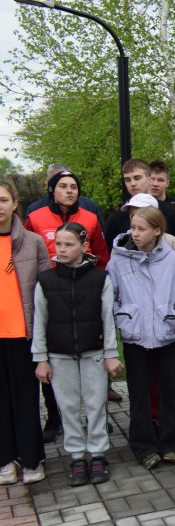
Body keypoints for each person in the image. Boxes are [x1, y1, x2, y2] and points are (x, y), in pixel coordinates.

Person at [32, 222, 123, 486]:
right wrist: (41, 359)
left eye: (69, 244)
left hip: (94, 353)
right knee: (68, 407)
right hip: (59, 357)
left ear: (84, 246)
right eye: (58, 244)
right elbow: (40, 322)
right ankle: (76, 456)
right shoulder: (45, 281)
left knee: (96, 405)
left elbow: (107, 320)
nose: (61, 249)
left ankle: (98, 454)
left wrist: (110, 353)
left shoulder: (100, 279)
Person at [108, 207, 175, 469]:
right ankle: (143, 446)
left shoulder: (173, 261)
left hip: (166, 336)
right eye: (133, 227)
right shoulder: (119, 260)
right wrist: (124, 319)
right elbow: (110, 297)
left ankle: (170, 443)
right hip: (135, 338)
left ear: (157, 230)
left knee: (169, 393)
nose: (135, 233)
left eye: (141, 228)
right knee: (139, 394)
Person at [0, 180, 50, 486]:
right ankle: (6, 459)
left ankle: (32, 459)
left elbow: (45, 293)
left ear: (15, 203)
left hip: (23, 335)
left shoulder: (33, 242)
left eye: (3, 199)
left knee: (26, 400)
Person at [105, 159, 175, 265]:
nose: (132, 183)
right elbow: (111, 258)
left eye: (137, 178)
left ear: (149, 179)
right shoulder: (117, 218)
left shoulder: (171, 212)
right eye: (127, 180)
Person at [25, 170, 110, 268]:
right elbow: (26, 257)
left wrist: (98, 276)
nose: (69, 191)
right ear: (52, 191)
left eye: (73, 187)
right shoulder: (34, 218)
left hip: (85, 275)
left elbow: (101, 257)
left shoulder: (91, 218)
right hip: (48, 275)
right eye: (63, 186)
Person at [25, 163, 104, 223]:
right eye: (62, 185)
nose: (69, 190)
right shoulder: (34, 210)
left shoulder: (90, 207)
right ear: (47, 182)